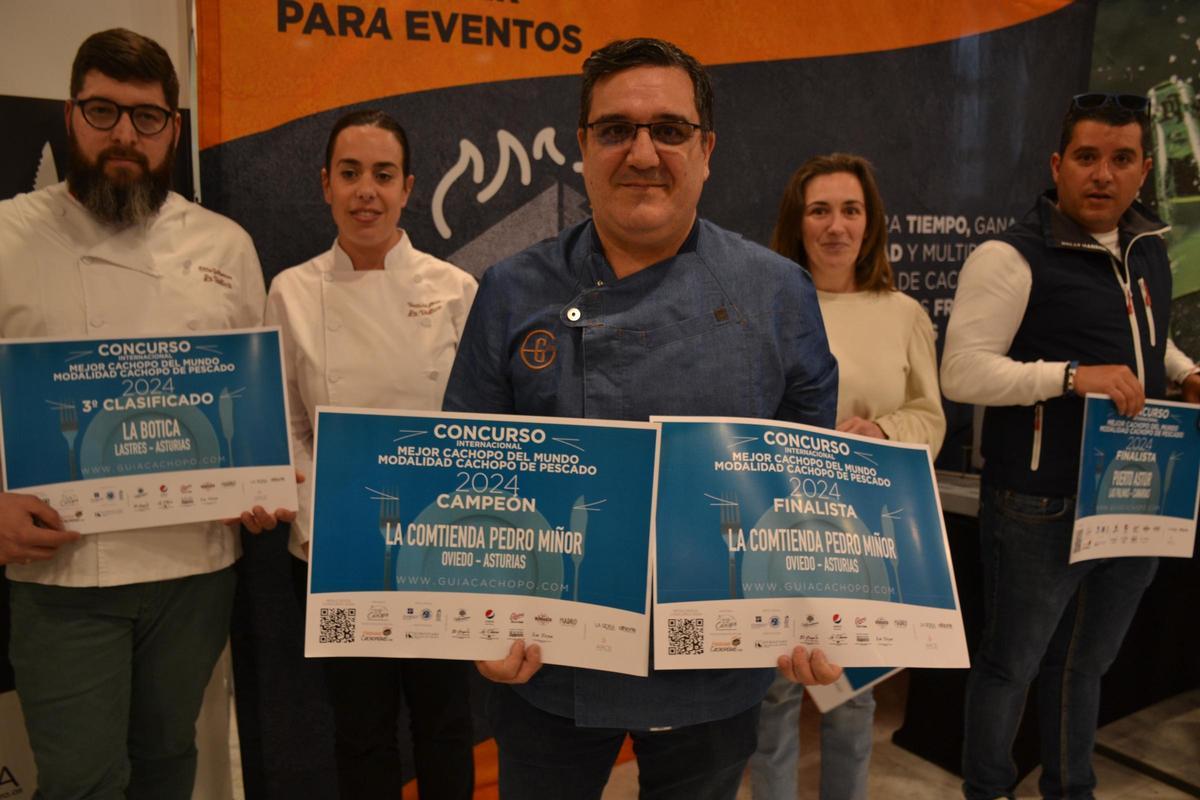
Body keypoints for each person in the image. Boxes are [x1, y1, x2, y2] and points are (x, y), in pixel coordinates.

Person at [442, 37, 843, 799]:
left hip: (713, 672)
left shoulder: (778, 292)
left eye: (669, 129)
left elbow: (806, 485)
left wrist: (810, 615)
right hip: (548, 668)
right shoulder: (509, 288)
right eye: (615, 130)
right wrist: (477, 626)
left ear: (707, 149)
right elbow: (473, 478)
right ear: (583, 148)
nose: (642, 152)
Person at [0, 28, 292, 799]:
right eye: (104, 111)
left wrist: (262, 481)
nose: (125, 134)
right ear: (71, 116)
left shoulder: (224, 245)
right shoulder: (6, 235)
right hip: (63, 568)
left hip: (194, 567)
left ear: (173, 128)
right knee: (81, 781)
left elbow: (251, 400)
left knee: (168, 762)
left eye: (147, 116)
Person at [941, 93, 1200, 800]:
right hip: (1038, 503)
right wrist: (1068, 377)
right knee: (1011, 666)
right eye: (1086, 157)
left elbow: (1144, 341)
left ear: (1144, 169)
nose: (1102, 175)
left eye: (1121, 160)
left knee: (1085, 666)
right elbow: (960, 371)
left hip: (1132, 494)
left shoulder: (1148, 248)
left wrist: (1182, 370)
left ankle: (1069, 789)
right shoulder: (1010, 255)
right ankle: (988, 789)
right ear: (1058, 164)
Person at [264, 108, 478, 799]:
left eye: (383, 175)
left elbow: (475, 424)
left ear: (409, 187)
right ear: (325, 184)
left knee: (447, 724)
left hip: (439, 544)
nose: (367, 191)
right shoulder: (292, 291)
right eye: (350, 174)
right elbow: (286, 424)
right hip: (334, 548)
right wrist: (310, 517)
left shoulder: (454, 290)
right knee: (360, 728)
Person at [748, 153, 945, 800]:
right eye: (820, 210)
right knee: (773, 697)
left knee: (852, 696)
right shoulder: (766, 304)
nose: (837, 226)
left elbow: (929, 415)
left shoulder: (904, 314)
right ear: (796, 223)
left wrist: (885, 432)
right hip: (779, 531)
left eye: (851, 210)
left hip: (861, 536)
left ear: (871, 223)